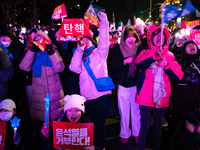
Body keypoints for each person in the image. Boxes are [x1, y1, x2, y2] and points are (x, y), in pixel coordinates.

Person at [135, 25, 184, 150]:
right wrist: (154, 55)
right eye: (155, 35)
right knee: (144, 126)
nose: (158, 37)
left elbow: (178, 76)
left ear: (165, 38)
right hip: (145, 95)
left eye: (161, 35)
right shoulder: (145, 52)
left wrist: (166, 65)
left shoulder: (170, 56)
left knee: (158, 127)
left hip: (161, 96)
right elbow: (139, 62)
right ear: (151, 38)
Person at [69, 12, 112, 150]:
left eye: (86, 39)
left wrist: (104, 22)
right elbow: (73, 69)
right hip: (86, 98)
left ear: (91, 39)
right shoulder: (79, 55)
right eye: (81, 39)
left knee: (100, 124)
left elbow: (104, 41)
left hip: (101, 96)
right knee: (88, 125)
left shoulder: (100, 53)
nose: (84, 41)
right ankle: (90, 147)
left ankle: (102, 147)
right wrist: (79, 50)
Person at [19, 31, 65, 150]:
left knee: (56, 124)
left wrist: (50, 52)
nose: (39, 40)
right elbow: (23, 67)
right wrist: (32, 51)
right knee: (42, 125)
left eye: (42, 38)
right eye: (36, 38)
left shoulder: (54, 50)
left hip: (55, 92)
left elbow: (60, 67)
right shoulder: (31, 52)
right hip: (39, 94)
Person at [109, 26, 141, 144]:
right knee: (124, 111)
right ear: (123, 38)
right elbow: (112, 67)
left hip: (136, 84)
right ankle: (124, 133)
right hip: (122, 84)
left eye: (133, 36)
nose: (131, 39)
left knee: (136, 111)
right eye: (128, 36)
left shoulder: (139, 49)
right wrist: (124, 62)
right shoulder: (117, 49)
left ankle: (137, 132)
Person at [171, 41, 200, 133]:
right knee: (179, 116)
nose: (192, 46)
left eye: (193, 45)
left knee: (193, 117)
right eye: (188, 45)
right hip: (183, 91)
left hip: (196, 91)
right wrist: (179, 44)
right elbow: (177, 54)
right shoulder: (182, 59)